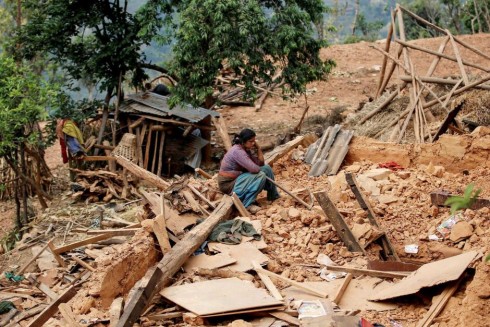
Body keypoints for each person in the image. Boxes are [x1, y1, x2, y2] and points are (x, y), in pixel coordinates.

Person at [218, 128, 279, 208]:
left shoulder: (245, 149)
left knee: (266, 168)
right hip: (228, 184)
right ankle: (246, 204)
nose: (253, 143)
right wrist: (255, 168)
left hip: (238, 179)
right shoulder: (238, 151)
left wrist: (259, 149)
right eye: (251, 141)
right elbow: (255, 169)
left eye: (254, 141)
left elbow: (260, 163)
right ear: (243, 141)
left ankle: (273, 196)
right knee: (260, 175)